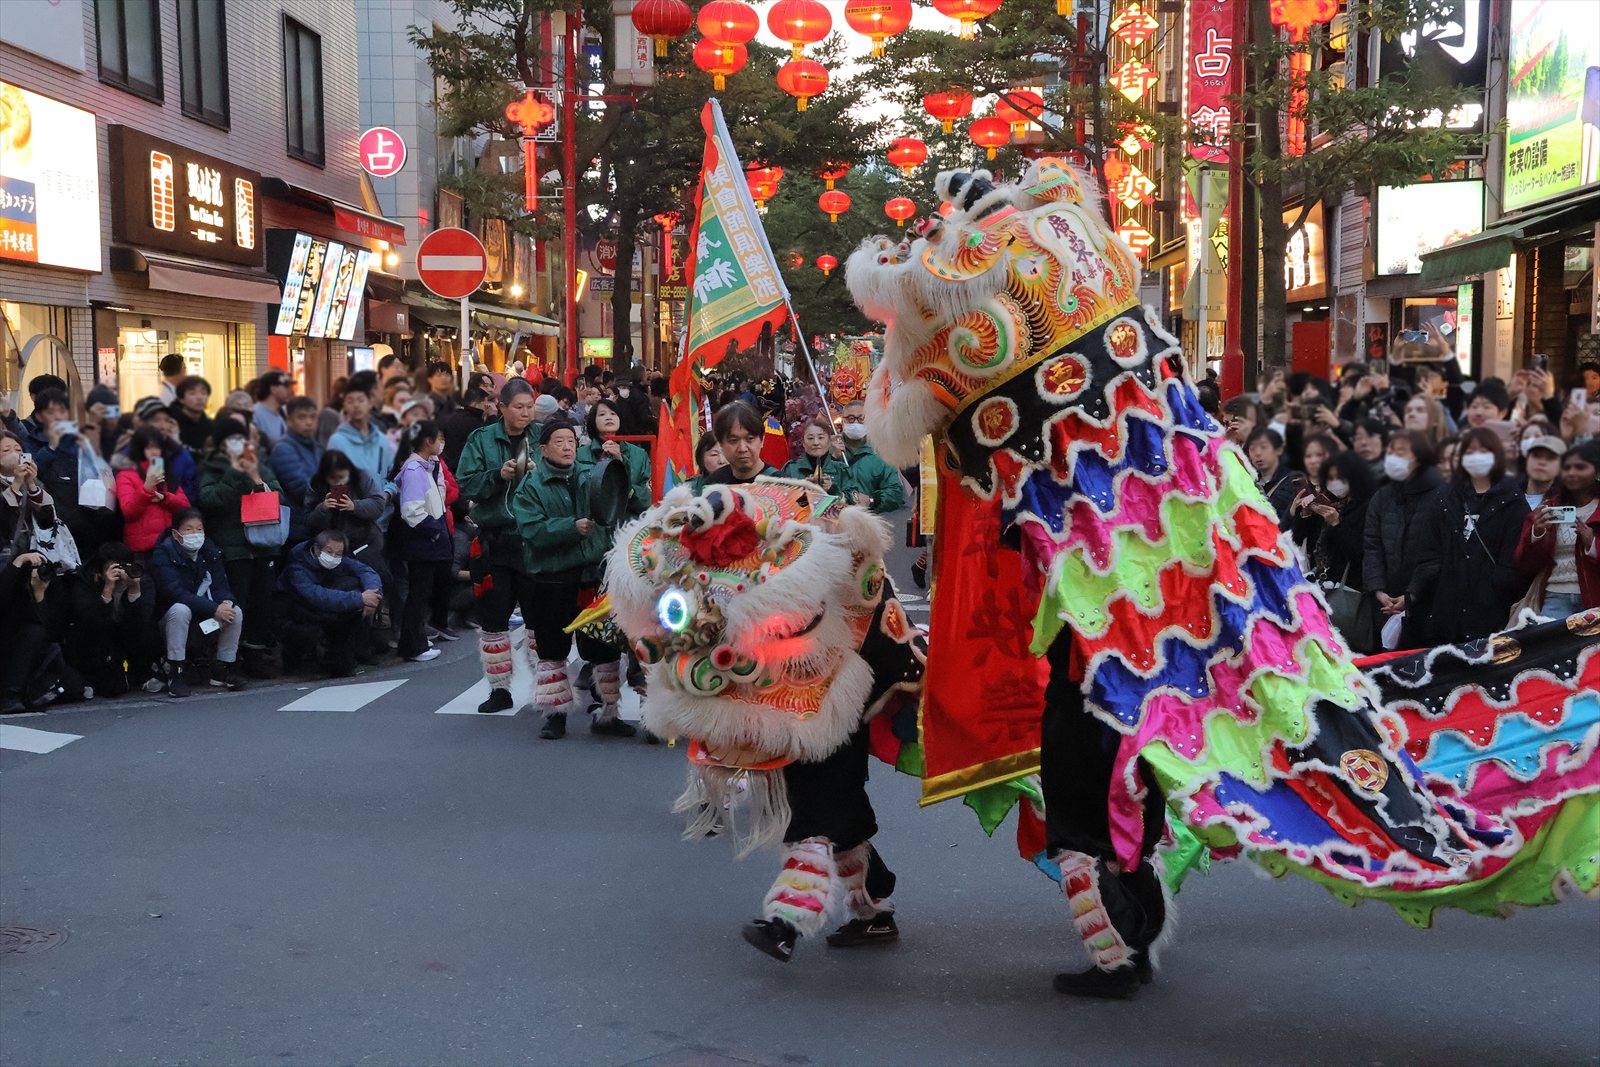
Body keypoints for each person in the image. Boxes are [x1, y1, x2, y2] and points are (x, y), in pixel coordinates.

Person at [512, 420, 632, 739]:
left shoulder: (592, 475)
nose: (567, 447)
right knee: (552, 648)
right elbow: (531, 530)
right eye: (559, 441)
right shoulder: (531, 486)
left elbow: (617, 506)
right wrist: (570, 527)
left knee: (604, 647)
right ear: (543, 449)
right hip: (551, 578)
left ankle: (608, 713)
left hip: (593, 576)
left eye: (571, 441)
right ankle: (555, 715)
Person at [456, 379, 542, 713]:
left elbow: (567, 472)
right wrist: (497, 475)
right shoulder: (481, 439)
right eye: (518, 407)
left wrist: (538, 474)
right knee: (493, 619)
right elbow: (466, 484)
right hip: (496, 539)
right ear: (502, 408)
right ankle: (499, 690)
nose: (525, 413)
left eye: (530, 407)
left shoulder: (543, 437)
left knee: (539, 619)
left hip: (535, 540)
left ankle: (545, 687)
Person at [1409, 427, 1531, 645]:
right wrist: (1424, 588)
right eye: (1470, 451)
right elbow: (1428, 550)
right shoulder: (1445, 497)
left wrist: (1496, 586)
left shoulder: (1512, 501)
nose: (1476, 456)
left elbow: (1513, 560)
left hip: (1490, 611)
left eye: (1484, 451)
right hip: (1445, 608)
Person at [197, 415, 281, 651]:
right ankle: (231, 654)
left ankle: (258, 650)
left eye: (240, 438)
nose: (237, 443)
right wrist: (235, 473)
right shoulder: (211, 466)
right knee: (237, 600)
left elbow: (279, 496)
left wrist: (257, 480)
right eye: (231, 438)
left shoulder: (257, 463)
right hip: (234, 548)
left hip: (264, 545)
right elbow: (209, 499)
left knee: (263, 600)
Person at [1362, 430, 1444, 648]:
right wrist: (1378, 589)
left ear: (1419, 456)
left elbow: (1436, 553)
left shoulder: (1440, 495)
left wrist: (1412, 594)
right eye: (1390, 452)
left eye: (1400, 452)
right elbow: (1372, 544)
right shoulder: (1382, 495)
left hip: (1427, 601)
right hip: (1384, 600)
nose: (1392, 457)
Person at [151, 508, 243, 696]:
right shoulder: (163, 553)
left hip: (204, 612)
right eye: (189, 529)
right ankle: (176, 671)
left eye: (199, 529)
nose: (195, 534)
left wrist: (226, 602)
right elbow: (173, 592)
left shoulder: (209, 551)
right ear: (176, 533)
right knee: (180, 610)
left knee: (235, 612)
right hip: (169, 616)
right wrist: (214, 608)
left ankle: (223, 668)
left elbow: (220, 585)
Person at [277, 530, 383, 677]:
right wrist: (360, 599)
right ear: (316, 549)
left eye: (338, 554)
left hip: (320, 610)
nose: (333, 557)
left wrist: (372, 594)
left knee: (353, 596)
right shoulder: (297, 568)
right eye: (329, 552)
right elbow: (317, 595)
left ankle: (343, 658)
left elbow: (366, 571)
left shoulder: (340, 560)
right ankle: (299, 661)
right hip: (294, 614)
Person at [1515, 442, 1600, 618]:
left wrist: (1593, 544)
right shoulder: (1548, 508)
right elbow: (1524, 564)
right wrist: (1538, 533)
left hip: (1595, 599)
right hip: (1555, 597)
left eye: (1580, 467)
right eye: (1566, 468)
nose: (1571, 473)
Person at [390, 422, 452, 663]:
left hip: (428, 538)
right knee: (418, 593)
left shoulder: (425, 466)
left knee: (421, 593)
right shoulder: (414, 469)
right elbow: (412, 510)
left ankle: (415, 640)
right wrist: (434, 531)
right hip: (423, 539)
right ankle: (413, 646)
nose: (441, 443)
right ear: (427, 441)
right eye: (438, 438)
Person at [67, 542, 161, 696]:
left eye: (122, 566)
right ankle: (89, 679)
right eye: (113, 567)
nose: (119, 572)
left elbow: (142, 620)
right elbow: (90, 619)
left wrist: (134, 590)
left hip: (126, 633)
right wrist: (107, 589)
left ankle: (143, 673)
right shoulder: (86, 580)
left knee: (148, 630)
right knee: (79, 631)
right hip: (100, 635)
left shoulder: (141, 580)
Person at [305, 450, 389, 598]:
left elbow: (378, 505)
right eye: (333, 478)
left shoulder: (361, 476)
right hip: (330, 547)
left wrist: (354, 506)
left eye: (342, 477)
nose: (338, 482)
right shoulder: (316, 483)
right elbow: (308, 520)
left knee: (373, 581)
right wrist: (323, 509)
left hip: (363, 543)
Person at [114, 427, 192, 556]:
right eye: (149, 447)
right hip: (143, 550)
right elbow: (128, 511)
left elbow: (186, 508)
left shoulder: (168, 475)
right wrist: (146, 489)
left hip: (171, 545)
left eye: (157, 447)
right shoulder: (126, 475)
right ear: (140, 449)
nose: (154, 451)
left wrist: (165, 498)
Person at [18, 387, 82, 533]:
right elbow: (33, 474)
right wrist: (51, 446)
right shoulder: (30, 442)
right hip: (52, 523)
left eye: (62, 411)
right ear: (39, 416)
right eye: (51, 412)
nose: (58, 417)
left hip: (86, 520)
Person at [578, 398, 651, 517]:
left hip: (630, 522)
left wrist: (621, 462)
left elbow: (648, 497)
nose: (608, 417)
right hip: (593, 522)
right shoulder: (580, 454)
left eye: (613, 414)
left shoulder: (639, 454)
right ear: (593, 421)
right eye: (602, 414)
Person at [838, 402, 905, 513]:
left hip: (867, 518)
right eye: (851, 418)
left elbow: (895, 491)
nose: (856, 423)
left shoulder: (881, 452)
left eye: (861, 419)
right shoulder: (828, 449)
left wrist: (872, 500)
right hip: (832, 518)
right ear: (842, 421)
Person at [273, 396, 323, 544]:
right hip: (296, 528)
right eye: (302, 417)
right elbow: (301, 489)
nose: (309, 422)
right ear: (289, 420)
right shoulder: (283, 449)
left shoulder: (317, 447)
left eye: (313, 417)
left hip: (315, 523)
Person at [328, 382, 394, 492]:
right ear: (344, 406)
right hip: (351, 502)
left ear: (370, 403)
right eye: (350, 401)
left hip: (382, 501)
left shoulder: (382, 440)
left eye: (361, 400)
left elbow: (392, 475)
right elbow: (334, 480)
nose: (356, 405)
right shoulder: (337, 441)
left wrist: (388, 493)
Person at [1245, 427, 1301, 529]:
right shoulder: (1248, 480)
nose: (1257, 453)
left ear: (1279, 450)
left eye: (1263, 447)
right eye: (1252, 449)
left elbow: (1275, 513)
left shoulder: (1293, 480)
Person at [783, 418, 849, 492]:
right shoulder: (791, 469)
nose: (816, 443)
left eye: (821, 437)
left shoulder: (841, 470)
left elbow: (852, 496)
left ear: (829, 441)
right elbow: (780, 495)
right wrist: (801, 489)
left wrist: (832, 489)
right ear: (803, 443)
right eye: (810, 438)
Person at [442, 386, 495, 474]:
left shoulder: (455, 416)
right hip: (464, 468)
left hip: (449, 464)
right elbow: (489, 438)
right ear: (475, 404)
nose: (486, 408)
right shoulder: (474, 421)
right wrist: (492, 417)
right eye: (485, 404)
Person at [169, 376, 214, 453]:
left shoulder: (210, 425)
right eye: (192, 393)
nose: (199, 398)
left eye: (203, 393)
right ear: (181, 399)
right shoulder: (172, 423)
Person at [250, 370, 294, 450]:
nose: (290, 391)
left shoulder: (281, 414)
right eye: (286, 387)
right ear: (273, 389)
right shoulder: (255, 413)